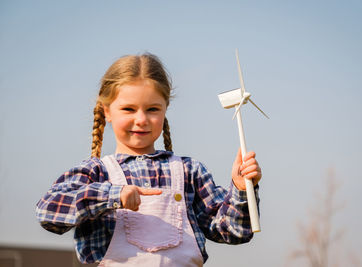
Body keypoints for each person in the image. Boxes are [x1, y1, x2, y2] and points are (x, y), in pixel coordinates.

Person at [36, 53, 262, 266]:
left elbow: (233, 231)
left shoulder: (189, 171)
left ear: (166, 108)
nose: (141, 119)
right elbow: (48, 212)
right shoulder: (96, 172)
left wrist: (242, 190)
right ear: (107, 111)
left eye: (152, 109)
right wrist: (113, 195)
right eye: (128, 109)